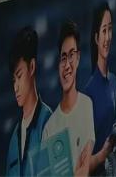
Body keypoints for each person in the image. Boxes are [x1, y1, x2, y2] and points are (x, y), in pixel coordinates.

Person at [42, 19, 98, 176]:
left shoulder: (86, 105)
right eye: (63, 57)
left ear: (78, 58)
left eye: (71, 55)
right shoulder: (49, 128)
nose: (67, 65)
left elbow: (84, 167)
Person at [6, 27, 53, 177]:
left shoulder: (48, 122)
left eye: (19, 76)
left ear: (32, 67)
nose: (16, 87)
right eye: (13, 80)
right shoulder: (14, 139)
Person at [82, 4, 116, 174]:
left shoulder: (113, 81)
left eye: (110, 30)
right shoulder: (88, 93)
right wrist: (102, 154)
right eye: (104, 31)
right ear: (96, 38)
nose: (108, 37)